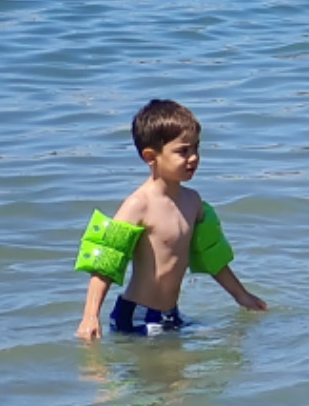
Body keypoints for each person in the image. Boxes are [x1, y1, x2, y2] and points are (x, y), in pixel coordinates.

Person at [75, 100, 266, 340]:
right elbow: (105, 261)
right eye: (183, 151)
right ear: (150, 157)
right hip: (137, 317)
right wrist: (90, 316)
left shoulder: (193, 202)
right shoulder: (139, 205)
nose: (194, 157)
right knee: (173, 377)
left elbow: (211, 257)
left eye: (196, 148)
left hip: (171, 315)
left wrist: (242, 296)